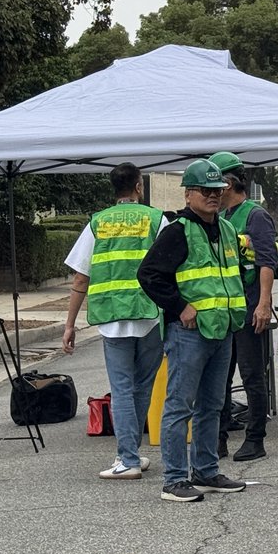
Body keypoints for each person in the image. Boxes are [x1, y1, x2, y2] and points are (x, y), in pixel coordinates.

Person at [137, 159, 247, 502]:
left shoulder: (227, 230)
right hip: (190, 333)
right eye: (205, 190)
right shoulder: (177, 230)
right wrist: (180, 307)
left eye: (218, 190)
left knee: (212, 406)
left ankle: (205, 471)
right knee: (179, 407)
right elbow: (149, 275)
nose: (213, 196)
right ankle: (174, 479)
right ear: (189, 194)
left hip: (222, 329)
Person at [62, 163, 167, 480]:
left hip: (112, 319)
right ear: (138, 186)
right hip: (150, 316)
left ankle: (129, 459)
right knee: (141, 389)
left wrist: (69, 325)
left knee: (121, 389)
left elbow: (81, 278)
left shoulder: (98, 223)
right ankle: (131, 455)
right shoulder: (155, 219)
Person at [210, 151, 278, 463]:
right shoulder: (220, 219)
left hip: (251, 308)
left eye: (215, 184)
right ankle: (220, 437)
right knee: (220, 377)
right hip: (227, 312)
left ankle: (255, 439)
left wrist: (263, 304)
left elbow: (266, 262)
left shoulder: (255, 216)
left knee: (252, 375)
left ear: (228, 184)